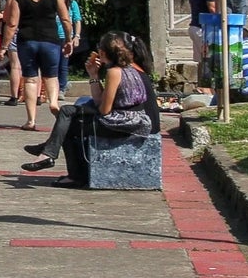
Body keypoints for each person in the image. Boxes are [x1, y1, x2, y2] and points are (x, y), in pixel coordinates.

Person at [21, 32, 153, 176]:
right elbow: (100, 101)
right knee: (66, 112)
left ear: (102, 52)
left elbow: (104, 110)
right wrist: (93, 75)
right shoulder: (128, 68)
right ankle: (49, 152)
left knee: (68, 124)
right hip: (130, 118)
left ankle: (56, 159)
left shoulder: (114, 72)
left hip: (125, 122)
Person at [0, 0, 72, 129]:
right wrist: (68, 40)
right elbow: (65, 19)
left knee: (31, 79)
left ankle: (31, 120)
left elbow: (12, 24)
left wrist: (3, 47)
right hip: (51, 41)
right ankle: (53, 103)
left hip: (27, 42)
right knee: (51, 76)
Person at [54, 0, 83, 100]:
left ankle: (62, 88)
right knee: (53, 63)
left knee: (63, 64)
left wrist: (76, 36)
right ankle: (53, 88)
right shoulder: (52, 2)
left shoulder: (72, 4)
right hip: (52, 36)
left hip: (66, 37)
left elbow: (77, 20)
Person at [187, 0, 216, 83]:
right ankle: (208, 89)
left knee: (201, 60)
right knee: (210, 59)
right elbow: (212, 7)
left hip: (194, 26)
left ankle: (201, 86)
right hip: (204, 29)